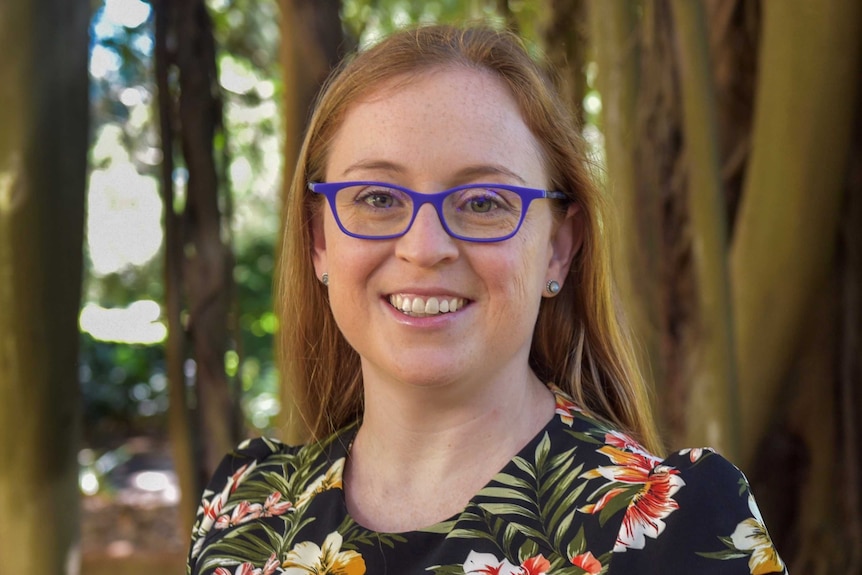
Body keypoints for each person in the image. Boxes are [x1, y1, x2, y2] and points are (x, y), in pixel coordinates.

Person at [187, 24, 787, 575]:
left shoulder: (682, 530)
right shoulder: (242, 510)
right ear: (320, 240)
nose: (424, 248)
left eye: (482, 203)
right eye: (376, 198)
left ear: (557, 248)